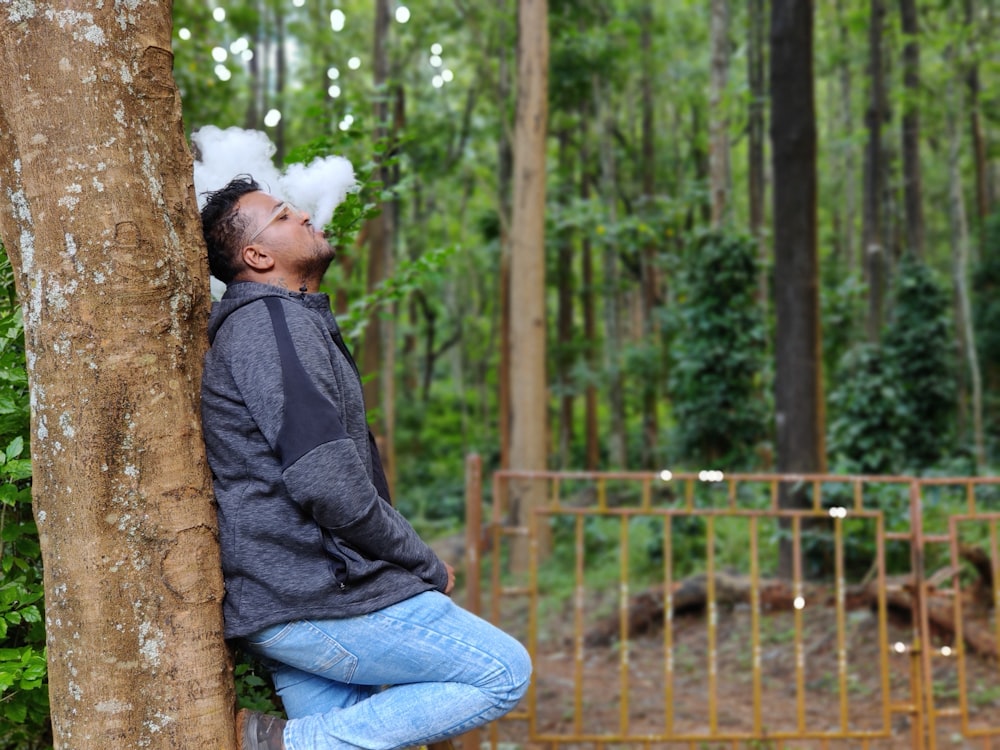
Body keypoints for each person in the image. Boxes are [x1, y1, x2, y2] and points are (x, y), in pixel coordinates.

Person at [198, 175, 531, 750]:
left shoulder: (285, 323)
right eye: (280, 216)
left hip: (288, 599)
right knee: (502, 671)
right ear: (255, 256)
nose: (301, 215)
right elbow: (329, 483)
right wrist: (423, 563)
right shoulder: (270, 324)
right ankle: (284, 745)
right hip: (316, 595)